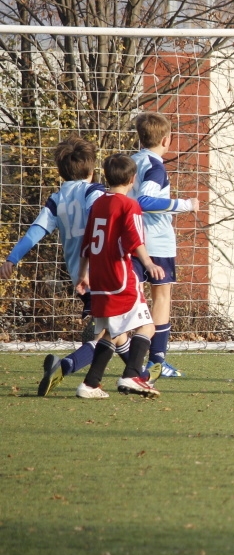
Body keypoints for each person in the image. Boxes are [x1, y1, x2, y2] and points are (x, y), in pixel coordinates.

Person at [0, 136, 109, 396]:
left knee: (115, 330)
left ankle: (133, 374)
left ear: (61, 171)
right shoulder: (94, 192)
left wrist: (12, 258)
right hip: (101, 273)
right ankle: (70, 367)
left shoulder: (57, 199)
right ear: (92, 169)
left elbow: (36, 231)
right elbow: (102, 218)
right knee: (113, 332)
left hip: (78, 277)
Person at [74, 154, 165, 399]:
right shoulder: (129, 205)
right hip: (120, 277)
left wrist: (82, 274)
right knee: (147, 326)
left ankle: (90, 384)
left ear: (107, 177)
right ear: (133, 179)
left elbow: (87, 242)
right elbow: (135, 239)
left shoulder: (99, 204)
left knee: (111, 333)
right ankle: (132, 375)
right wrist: (148, 263)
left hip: (99, 279)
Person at [130, 112, 198, 380]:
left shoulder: (131, 161)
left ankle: (126, 353)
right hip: (156, 242)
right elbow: (144, 201)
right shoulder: (155, 167)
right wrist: (184, 204)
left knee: (131, 298)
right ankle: (156, 361)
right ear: (167, 140)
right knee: (161, 298)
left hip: (132, 240)